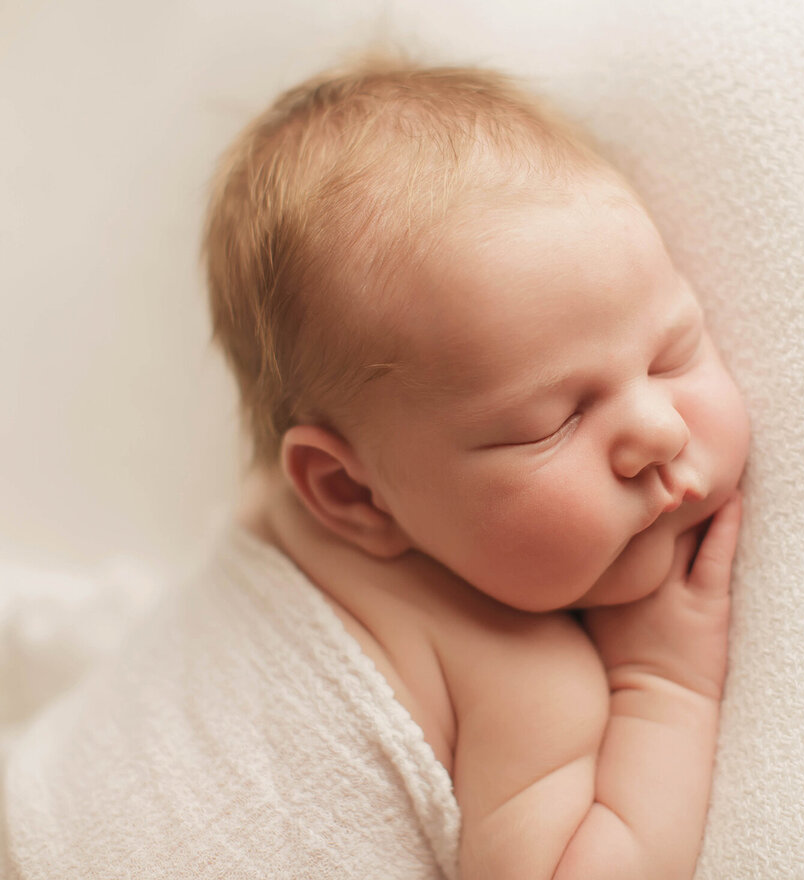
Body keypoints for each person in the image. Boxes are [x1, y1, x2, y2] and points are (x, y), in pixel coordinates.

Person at [2, 57, 749, 880]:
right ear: (349, 491)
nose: (656, 428)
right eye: (555, 422)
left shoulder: (271, 508)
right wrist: (665, 686)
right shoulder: (524, 683)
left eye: (674, 352)